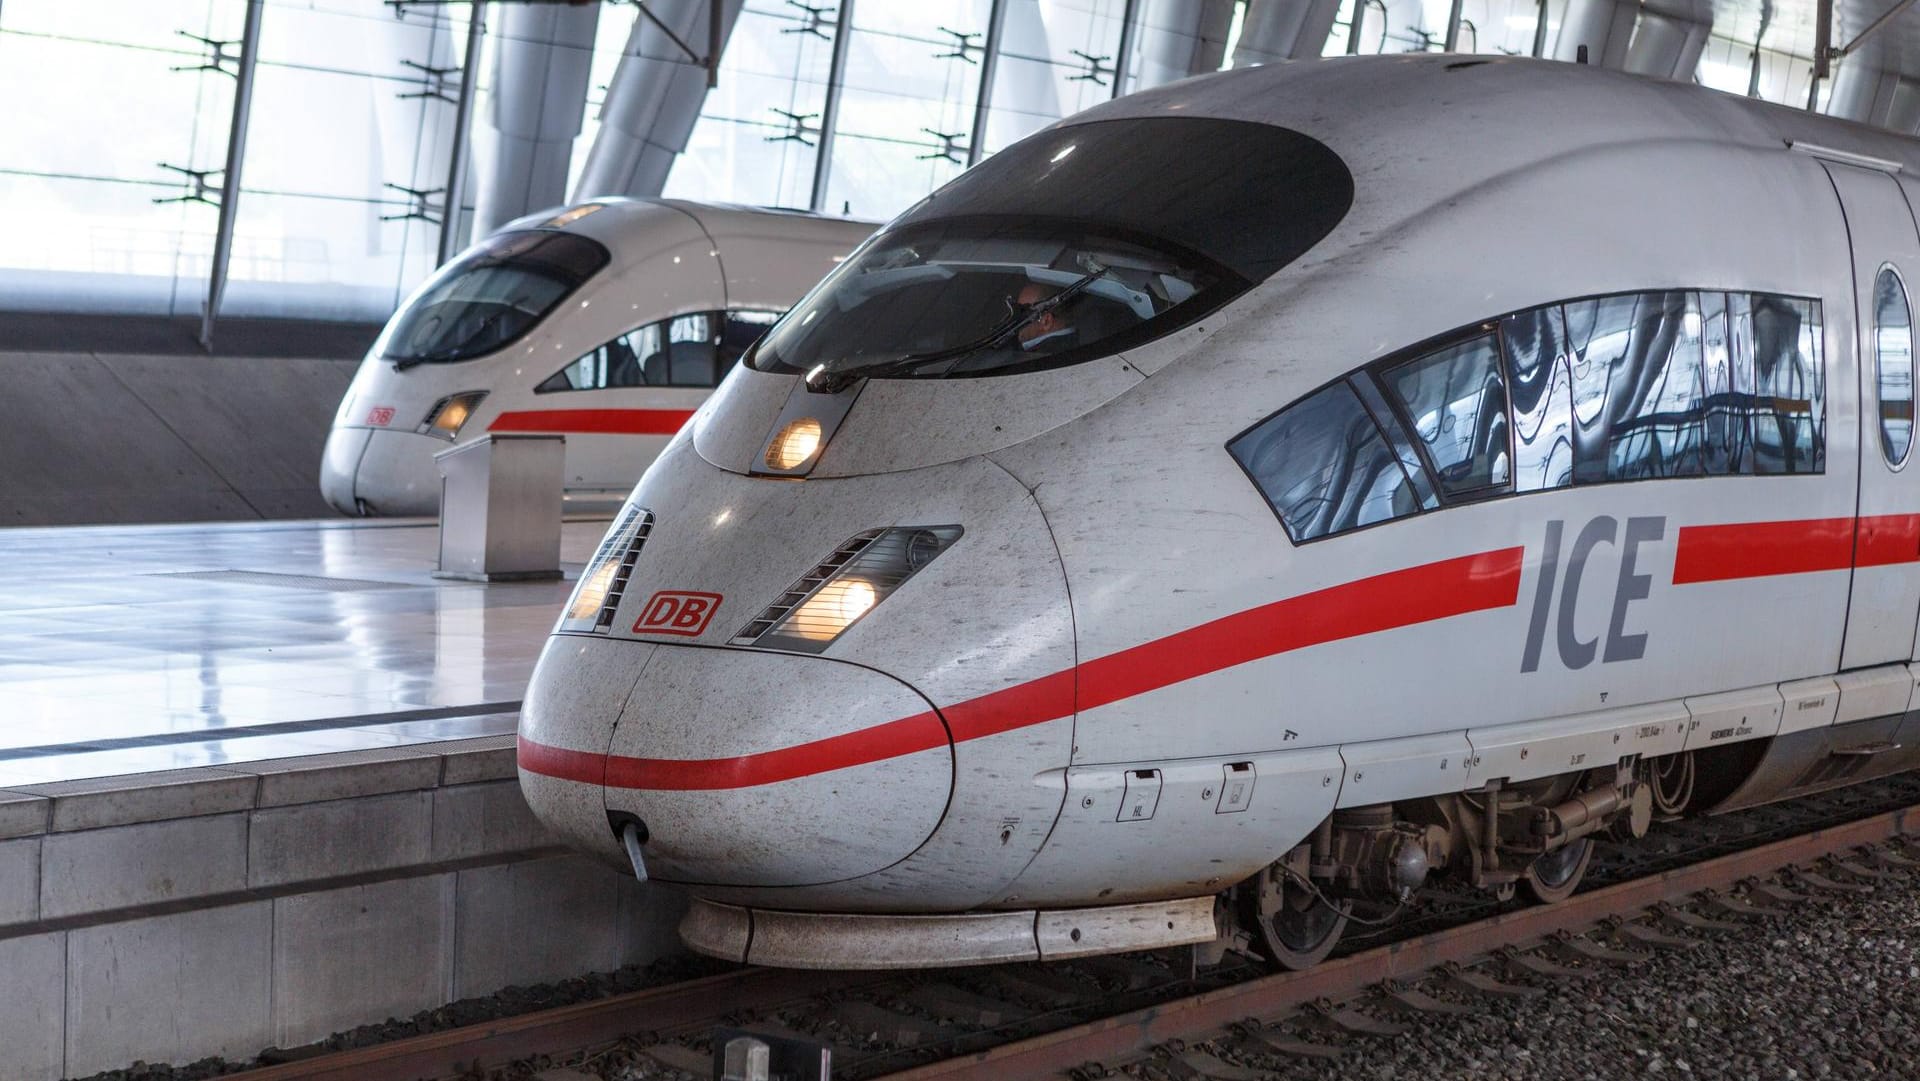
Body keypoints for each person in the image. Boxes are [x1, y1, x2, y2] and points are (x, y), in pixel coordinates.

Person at [1014, 282, 1078, 352]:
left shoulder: (1037, 357)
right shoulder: (1080, 341)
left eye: (1022, 312)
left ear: (1046, 321)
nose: (1015, 319)